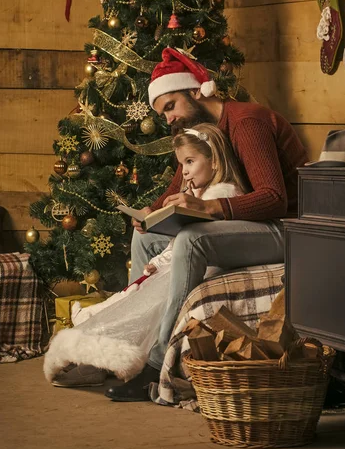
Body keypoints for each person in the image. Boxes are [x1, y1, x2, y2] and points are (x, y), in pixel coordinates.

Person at [105, 47, 309, 402]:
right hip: (251, 228)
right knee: (145, 240)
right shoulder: (203, 131)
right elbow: (175, 189)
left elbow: (273, 198)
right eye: (162, 112)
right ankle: (131, 349)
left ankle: (155, 367)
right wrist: (147, 216)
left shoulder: (246, 122)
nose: (168, 118)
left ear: (196, 90)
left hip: (286, 229)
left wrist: (208, 206)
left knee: (193, 239)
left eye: (170, 106)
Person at [43, 124, 245, 390]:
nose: (183, 171)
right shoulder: (196, 194)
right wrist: (157, 262)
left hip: (202, 268)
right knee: (130, 297)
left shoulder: (221, 196)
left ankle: (107, 360)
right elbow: (177, 244)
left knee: (142, 306)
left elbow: (197, 245)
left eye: (190, 162)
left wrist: (163, 264)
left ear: (215, 161)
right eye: (181, 163)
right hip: (178, 262)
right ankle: (92, 360)